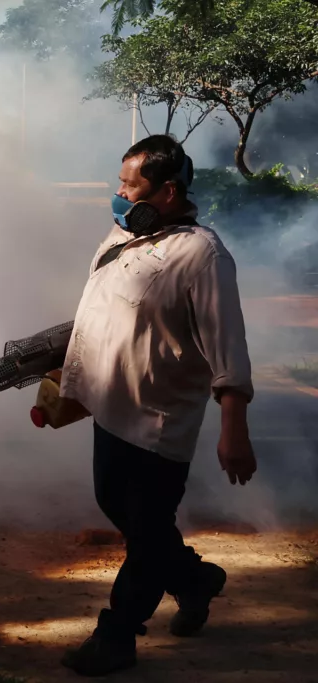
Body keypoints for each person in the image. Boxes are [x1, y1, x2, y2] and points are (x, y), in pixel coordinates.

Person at [57, 134, 258, 676]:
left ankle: (117, 636)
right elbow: (100, 314)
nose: (119, 195)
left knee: (145, 534)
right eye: (120, 183)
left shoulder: (203, 255)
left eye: (130, 186)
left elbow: (228, 346)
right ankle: (196, 580)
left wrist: (234, 429)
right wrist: (67, 373)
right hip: (111, 409)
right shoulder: (123, 238)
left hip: (158, 423)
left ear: (168, 192)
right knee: (118, 508)